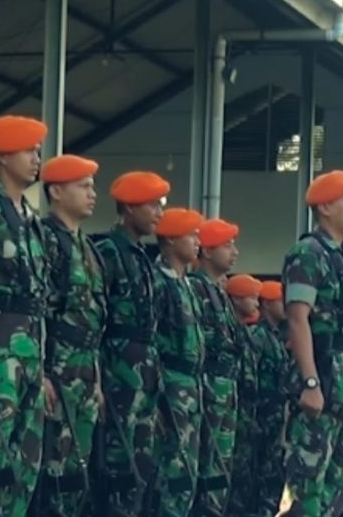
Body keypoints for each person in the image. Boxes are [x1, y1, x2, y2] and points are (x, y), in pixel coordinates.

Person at [0, 115, 49, 515]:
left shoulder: (31, 219)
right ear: (2, 156)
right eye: (28, 150)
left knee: (25, 462)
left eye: (37, 151)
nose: (36, 158)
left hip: (30, 354)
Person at [278, 170, 343, 517]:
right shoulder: (309, 253)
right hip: (324, 387)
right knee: (308, 488)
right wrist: (311, 383)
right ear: (326, 207)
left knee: (339, 487)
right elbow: (297, 319)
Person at [32, 154, 106, 517]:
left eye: (92, 186)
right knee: (53, 468)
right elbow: (38, 311)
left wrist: (96, 379)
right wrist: (42, 372)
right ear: (57, 192)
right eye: (84, 186)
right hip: (57, 372)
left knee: (78, 471)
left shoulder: (87, 248)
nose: (93, 193)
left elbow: (94, 321)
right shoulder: (47, 239)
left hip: (84, 373)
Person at [94, 171, 169, 516]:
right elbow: (95, 319)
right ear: (129, 208)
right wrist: (99, 379)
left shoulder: (142, 258)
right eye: (152, 205)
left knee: (141, 468)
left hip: (145, 380)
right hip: (118, 376)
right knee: (117, 468)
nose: (159, 213)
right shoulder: (108, 252)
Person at [152, 208, 206, 517]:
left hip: (190, 387)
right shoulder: (159, 281)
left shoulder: (187, 285)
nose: (198, 241)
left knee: (187, 473)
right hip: (170, 388)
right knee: (171, 471)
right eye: (191, 235)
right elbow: (153, 340)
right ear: (171, 239)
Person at [189, 218, 241, 517]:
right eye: (227, 245)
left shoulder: (218, 291)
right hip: (208, 388)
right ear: (207, 251)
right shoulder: (196, 288)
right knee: (203, 463)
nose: (235, 251)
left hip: (224, 387)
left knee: (219, 467)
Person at [249, 280, 289, 517]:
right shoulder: (258, 336)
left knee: (273, 477)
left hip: (275, 417)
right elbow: (249, 374)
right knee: (259, 476)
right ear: (266, 304)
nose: (285, 305)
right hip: (261, 417)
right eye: (279, 301)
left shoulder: (276, 337)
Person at [225, 274, 263, 516]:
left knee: (245, 477)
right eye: (252, 297)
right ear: (237, 299)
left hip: (248, 412)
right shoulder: (230, 329)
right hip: (231, 407)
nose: (257, 304)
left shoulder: (244, 333)